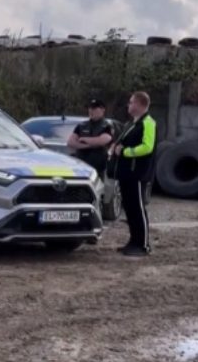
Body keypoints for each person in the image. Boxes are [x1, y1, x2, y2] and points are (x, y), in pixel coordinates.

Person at [111, 91, 156, 257]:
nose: (129, 105)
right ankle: (133, 241)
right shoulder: (131, 123)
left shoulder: (148, 123)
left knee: (138, 208)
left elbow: (147, 147)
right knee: (129, 209)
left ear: (140, 104)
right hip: (126, 173)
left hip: (137, 173)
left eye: (131, 102)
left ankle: (143, 244)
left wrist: (126, 152)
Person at [67, 98, 115, 175]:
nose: (91, 110)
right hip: (80, 166)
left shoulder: (107, 125)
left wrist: (83, 139)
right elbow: (71, 142)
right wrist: (89, 145)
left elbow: (102, 141)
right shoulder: (82, 125)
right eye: (90, 108)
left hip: (98, 167)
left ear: (103, 109)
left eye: (94, 108)